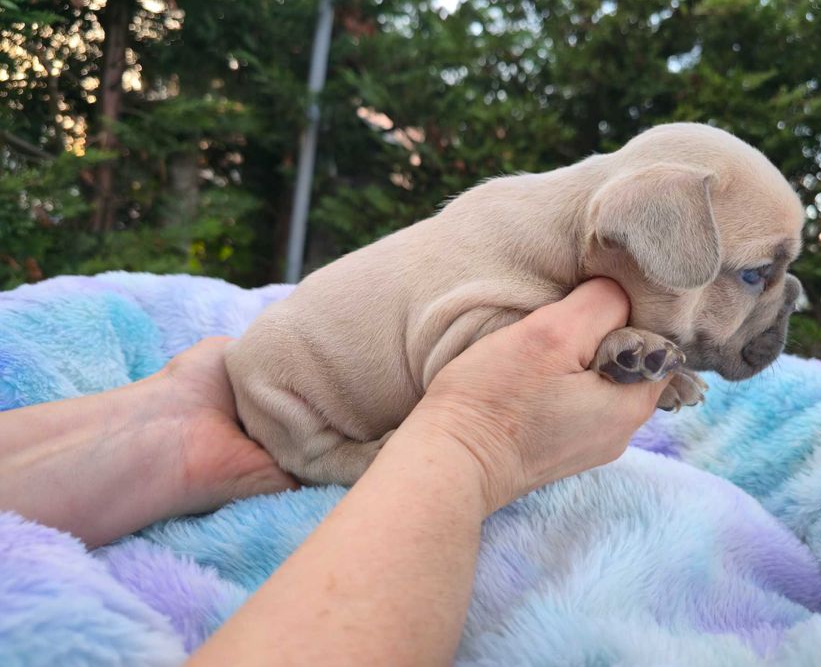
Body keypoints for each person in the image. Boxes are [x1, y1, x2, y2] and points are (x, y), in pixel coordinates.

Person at [0, 278, 669, 666]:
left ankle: (169, 427)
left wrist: (170, 428)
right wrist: (474, 443)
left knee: (172, 430)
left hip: (186, 421)